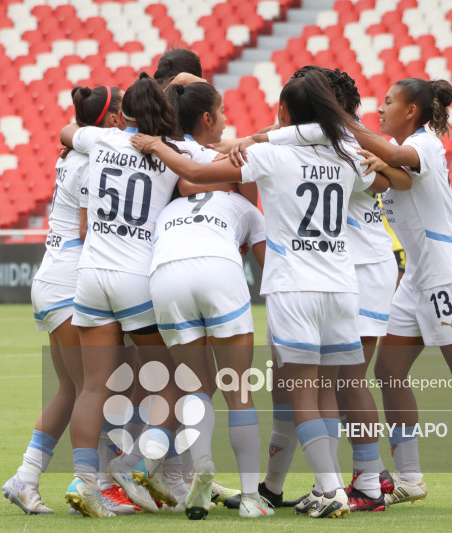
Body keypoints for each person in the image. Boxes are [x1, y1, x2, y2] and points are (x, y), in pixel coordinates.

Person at [131, 70, 398, 519]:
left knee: (301, 393)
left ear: (287, 113)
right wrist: (383, 163)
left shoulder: (272, 155)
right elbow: (391, 182)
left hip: (294, 286)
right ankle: (334, 483)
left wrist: (157, 144)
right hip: (341, 285)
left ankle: (330, 488)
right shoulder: (349, 155)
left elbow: (196, 171)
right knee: (335, 388)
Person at [57, 73, 220, 517]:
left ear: (123, 114)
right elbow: (206, 169)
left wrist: (76, 139)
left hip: (91, 275)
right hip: (136, 278)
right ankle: (133, 465)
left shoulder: (102, 141)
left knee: (93, 386)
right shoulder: (172, 154)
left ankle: (85, 480)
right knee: (179, 378)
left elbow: (65, 131)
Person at [354, 78, 452, 511]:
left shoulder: (426, 144)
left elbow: (396, 159)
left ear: (412, 111)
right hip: (415, 279)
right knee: (388, 371)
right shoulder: (392, 145)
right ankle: (409, 478)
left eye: (389, 101)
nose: (381, 106)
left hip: (447, 277)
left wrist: (341, 124)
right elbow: (389, 174)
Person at [256, 66, 407, 513]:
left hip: (349, 269)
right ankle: (335, 480)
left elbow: (398, 177)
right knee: (307, 382)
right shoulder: (338, 144)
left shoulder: (345, 142)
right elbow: (395, 179)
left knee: (337, 381)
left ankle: (359, 480)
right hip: (343, 269)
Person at [1, 85, 136, 516]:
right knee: (94, 390)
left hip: (51, 279)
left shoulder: (74, 153)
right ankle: (90, 484)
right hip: (69, 283)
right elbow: (85, 229)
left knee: (73, 389)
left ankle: (25, 478)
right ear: (113, 119)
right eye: (121, 112)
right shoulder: (95, 159)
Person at [148, 81, 272, 519]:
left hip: (164, 271)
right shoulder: (243, 207)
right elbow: (270, 269)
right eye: (221, 111)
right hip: (217, 265)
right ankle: (252, 500)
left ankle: (200, 467)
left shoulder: (171, 199)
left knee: (195, 388)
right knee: (238, 390)